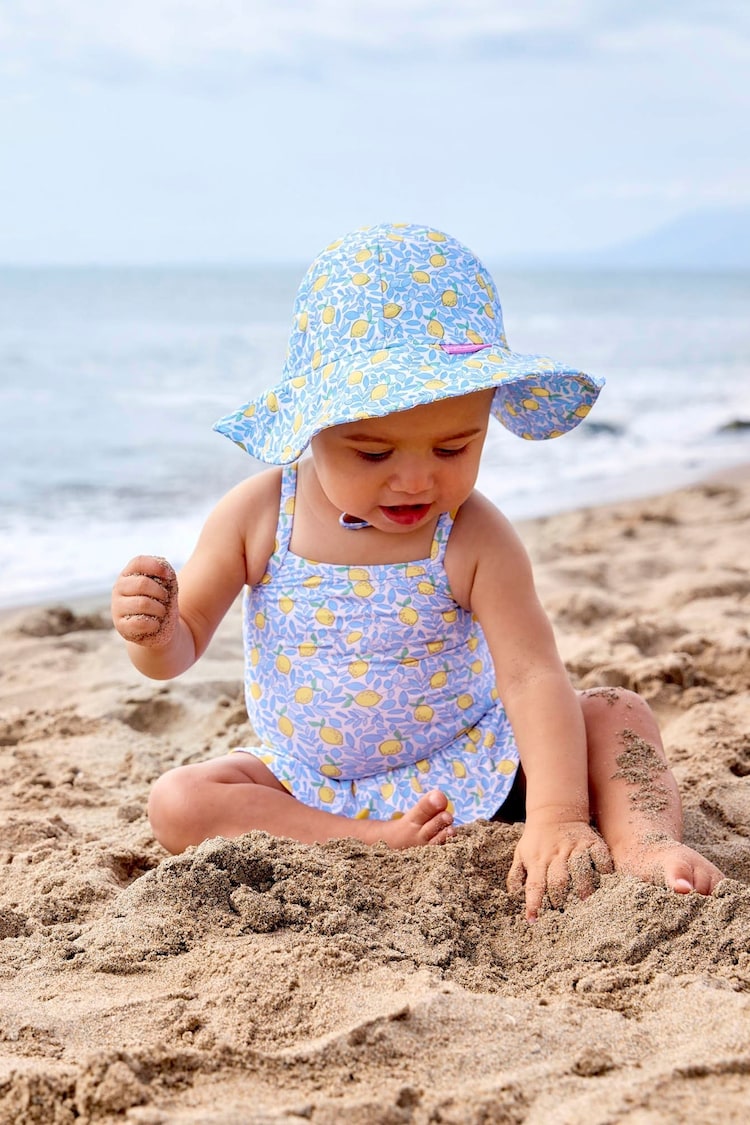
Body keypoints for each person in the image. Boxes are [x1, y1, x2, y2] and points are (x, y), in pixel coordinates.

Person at [111, 222, 724, 920]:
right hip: (312, 787)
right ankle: (371, 838)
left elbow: (530, 675)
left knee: (618, 712)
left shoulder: (471, 536)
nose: (415, 480)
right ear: (311, 424)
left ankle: (645, 845)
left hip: (478, 769)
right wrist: (153, 631)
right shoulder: (259, 515)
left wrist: (556, 814)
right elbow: (179, 646)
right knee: (180, 801)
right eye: (373, 454)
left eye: (454, 447)